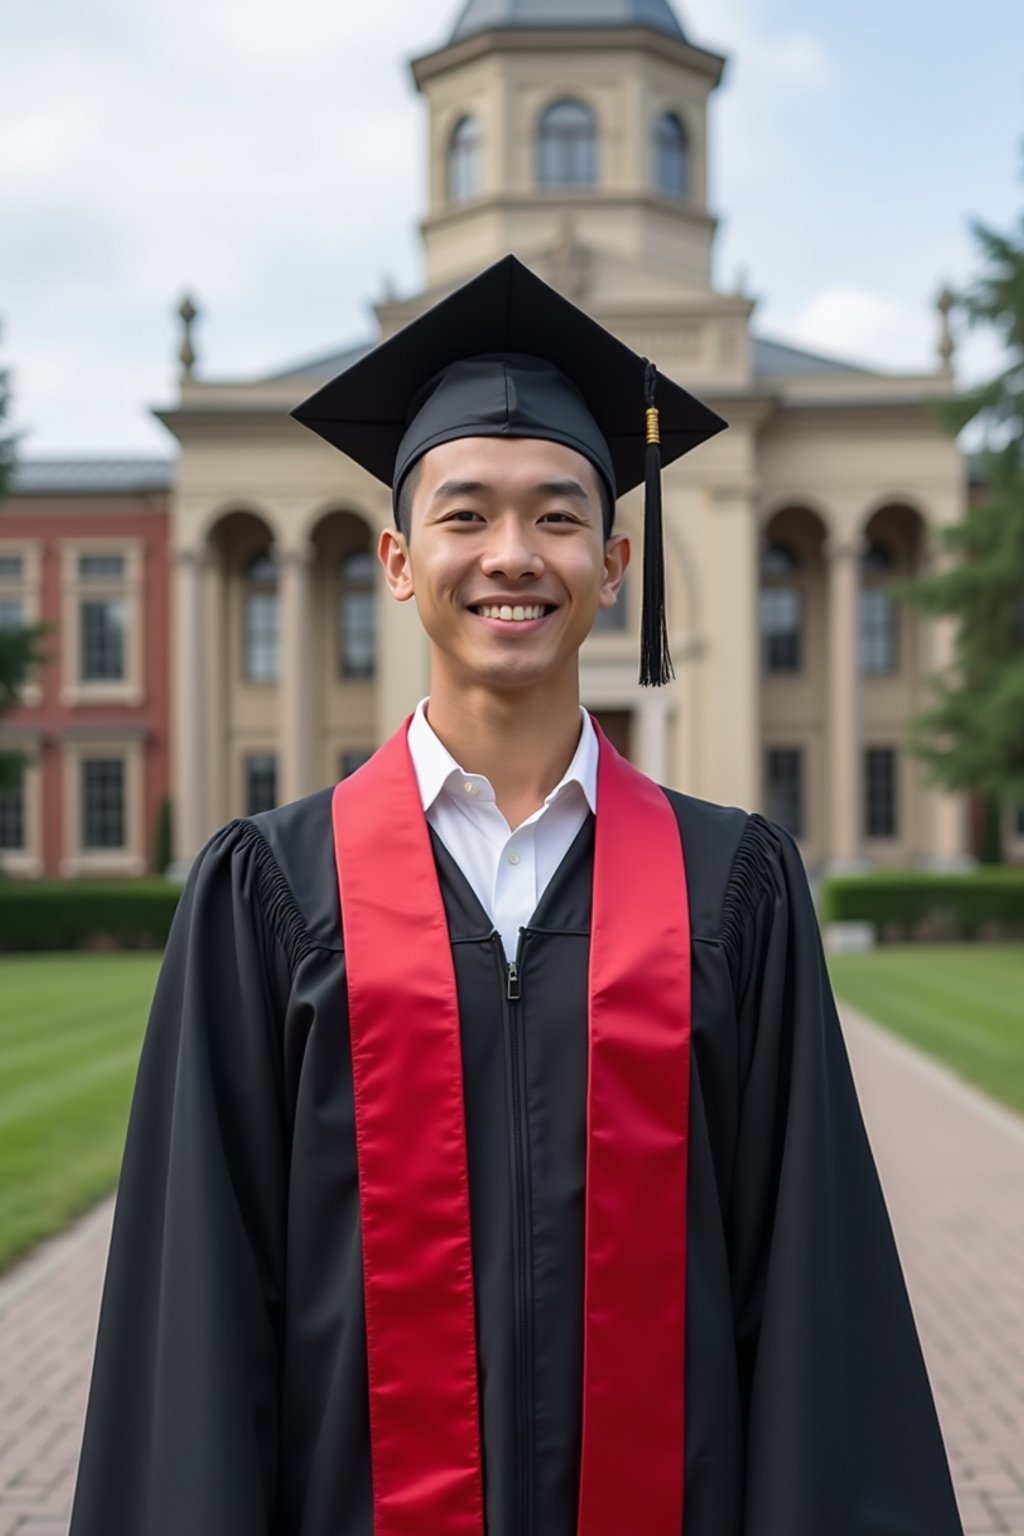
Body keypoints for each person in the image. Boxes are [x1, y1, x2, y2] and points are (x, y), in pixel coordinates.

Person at [70, 256, 963, 1536]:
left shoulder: (736, 892)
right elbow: (201, 1319)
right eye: (464, 514)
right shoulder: (269, 895)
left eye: (555, 518)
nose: (510, 556)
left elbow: (813, 1306)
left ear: (612, 564)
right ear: (394, 560)